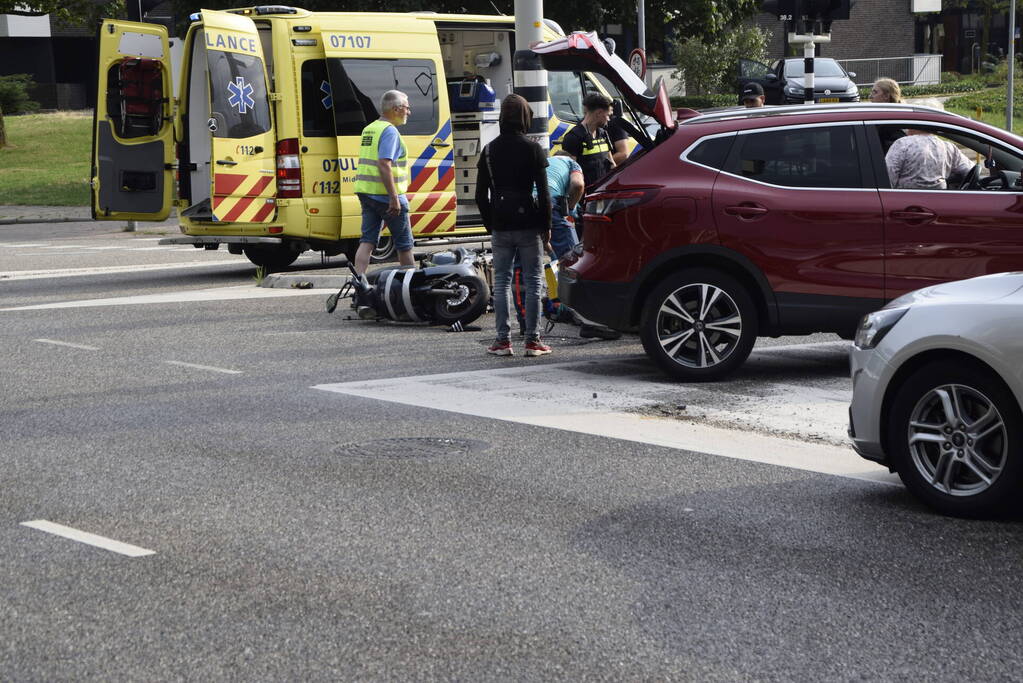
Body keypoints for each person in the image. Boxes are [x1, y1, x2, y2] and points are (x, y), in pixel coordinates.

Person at [475, 94, 553, 357]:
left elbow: (480, 196)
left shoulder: (489, 150)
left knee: (501, 282)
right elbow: (544, 193)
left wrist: (491, 224)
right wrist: (546, 225)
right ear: (525, 117)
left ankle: (502, 341)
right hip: (528, 223)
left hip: (501, 223)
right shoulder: (533, 148)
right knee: (533, 282)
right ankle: (533, 341)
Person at [352, 90, 416, 284]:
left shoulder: (370, 128)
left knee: (367, 241)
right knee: (404, 245)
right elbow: (384, 163)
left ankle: (359, 286)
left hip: (367, 193)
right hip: (386, 196)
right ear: (396, 109)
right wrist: (394, 198)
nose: (408, 112)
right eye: (406, 108)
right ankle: (410, 288)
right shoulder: (390, 131)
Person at [886, 124, 974, 190]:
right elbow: (971, 171)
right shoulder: (948, 147)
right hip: (939, 202)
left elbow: (887, 178)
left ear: (911, 125)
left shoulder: (902, 144)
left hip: (903, 203)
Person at [560, 92, 616, 190]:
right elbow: (571, 176)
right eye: (608, 115)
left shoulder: (603, 134)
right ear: (599, 113)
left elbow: (612, 165)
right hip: (585, 196)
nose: (609, 119)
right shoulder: (573, 137)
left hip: (602, 193)